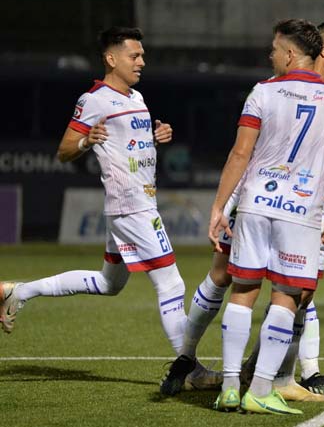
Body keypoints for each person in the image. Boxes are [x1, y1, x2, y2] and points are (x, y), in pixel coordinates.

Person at [160, 21, 324, 400]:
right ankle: (199, 362)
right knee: (234, 279)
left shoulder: (284, 90)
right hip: (265, 198)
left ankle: (279, 375)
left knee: (289, 290)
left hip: (275, 200)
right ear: (323, 52)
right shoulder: (311, 94)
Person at [0, 26, 219, 390]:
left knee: (108, 283)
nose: (142, 62)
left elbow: (129, 144)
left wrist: (155, 136)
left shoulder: (136, 97)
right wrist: (87, 139)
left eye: (142, 56)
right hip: (131, 207)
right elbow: (65, 150)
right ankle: (191, 370)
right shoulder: (95, 99)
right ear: (111, 58)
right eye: (135, 56)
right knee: (171, 283)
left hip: (136, 202)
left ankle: (17, 292)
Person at [207, 18, 324, 415]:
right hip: (301, 211)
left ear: (291, 53)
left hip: (255, 204)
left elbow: (240, 154)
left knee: (243, 291)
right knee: (287, 297)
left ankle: (229, 387)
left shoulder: (262, 91)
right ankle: (261, 389)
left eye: (275, 49)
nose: (271, 55)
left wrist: (218, 206)